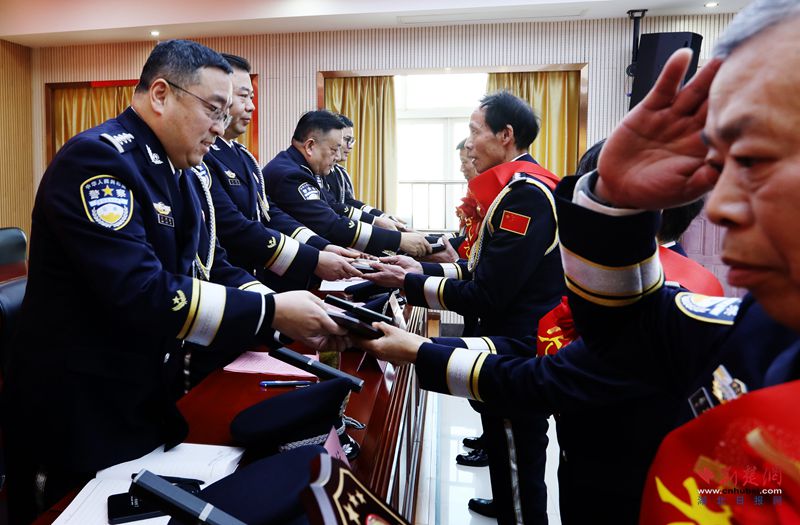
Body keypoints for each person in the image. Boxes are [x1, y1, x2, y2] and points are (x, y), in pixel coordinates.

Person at [358, 1, 800, 521]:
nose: (721, 206)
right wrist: (613, 204)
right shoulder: (749, 329)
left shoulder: (525, 194)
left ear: (505, 136)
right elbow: (621, 339)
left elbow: (498, 297)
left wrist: (420, 322)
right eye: (720, 165)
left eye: (754, 159)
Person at [2, 39, 347, 524]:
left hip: (141, 391)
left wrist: (276, 307)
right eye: (213, 109)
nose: (220, 127)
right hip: (79, 406)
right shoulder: (100, 161)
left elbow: (207, 265)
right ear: (162, 94)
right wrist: (270, 313)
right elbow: (141, 290)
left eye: (226, 112)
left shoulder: (178, 169)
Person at [366, 92, 564, 524]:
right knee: (505, 447)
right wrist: (415, 271)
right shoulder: (513, 189)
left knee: (517, 453)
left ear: (506, 135)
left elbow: (489, 292)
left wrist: (409, 282)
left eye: (475, 131)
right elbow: (478, 268)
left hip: (518, 348)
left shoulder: (525, 196)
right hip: (506, 339)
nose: (469, 143)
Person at [201, 54, 363, 294]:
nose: (251, 106)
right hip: (227, 284)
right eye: (243, 96)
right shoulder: (203, 156)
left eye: (252, 97)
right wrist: (312, 260)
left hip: (250, 277)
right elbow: (233, 226)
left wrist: (321, 247)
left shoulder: (242, 156)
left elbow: (269, 214)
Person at [263, 110, 430, 257]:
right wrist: (397, 240)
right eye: (333, 150)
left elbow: (332, 208)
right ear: (310, 146)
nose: (337, 157)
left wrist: (378, 222)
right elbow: (330, 224)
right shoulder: (291, 175)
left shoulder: (299, 167)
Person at [324, 114, 404, 231]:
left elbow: (349, 202)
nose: (350, 146)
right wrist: (376, 221)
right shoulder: (317, 172)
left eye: (352, 141)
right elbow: (333, 206)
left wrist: (382, 216)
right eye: (346, 139)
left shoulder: (340, 172)